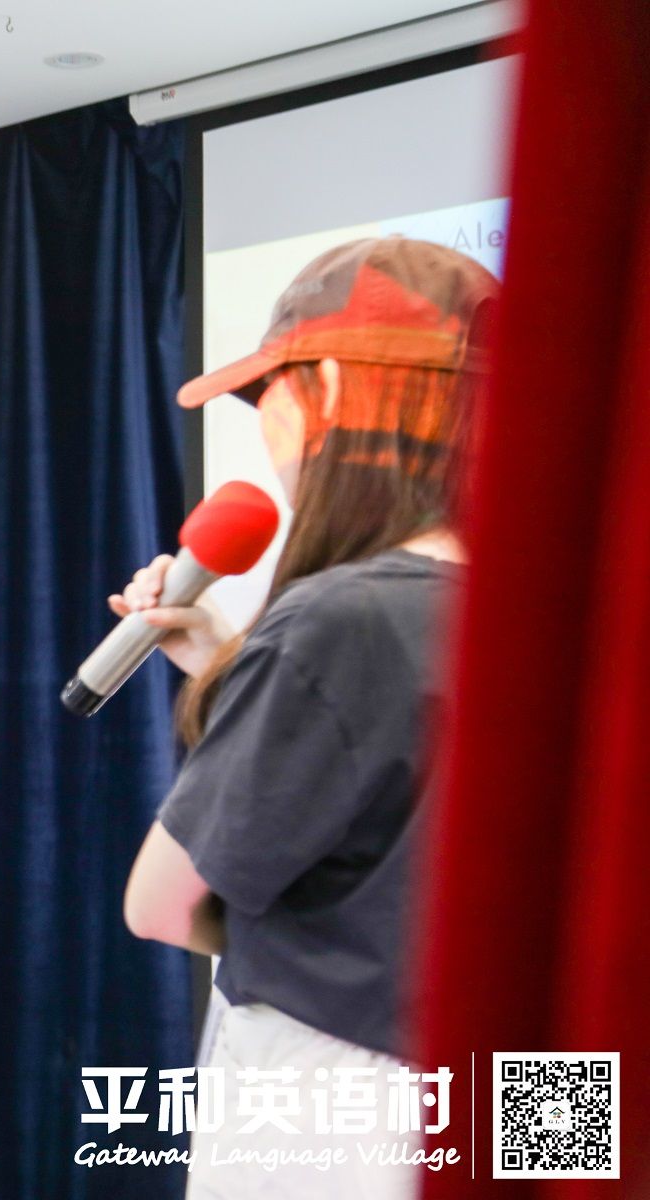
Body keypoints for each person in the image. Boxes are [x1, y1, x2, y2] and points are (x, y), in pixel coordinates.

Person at [117, 237, 498, 1198]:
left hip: (349, 1099)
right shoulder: (578, 618)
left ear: (325, 389)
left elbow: (159, 904)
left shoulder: (339, 621)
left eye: (267, 397)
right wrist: (232, 666)